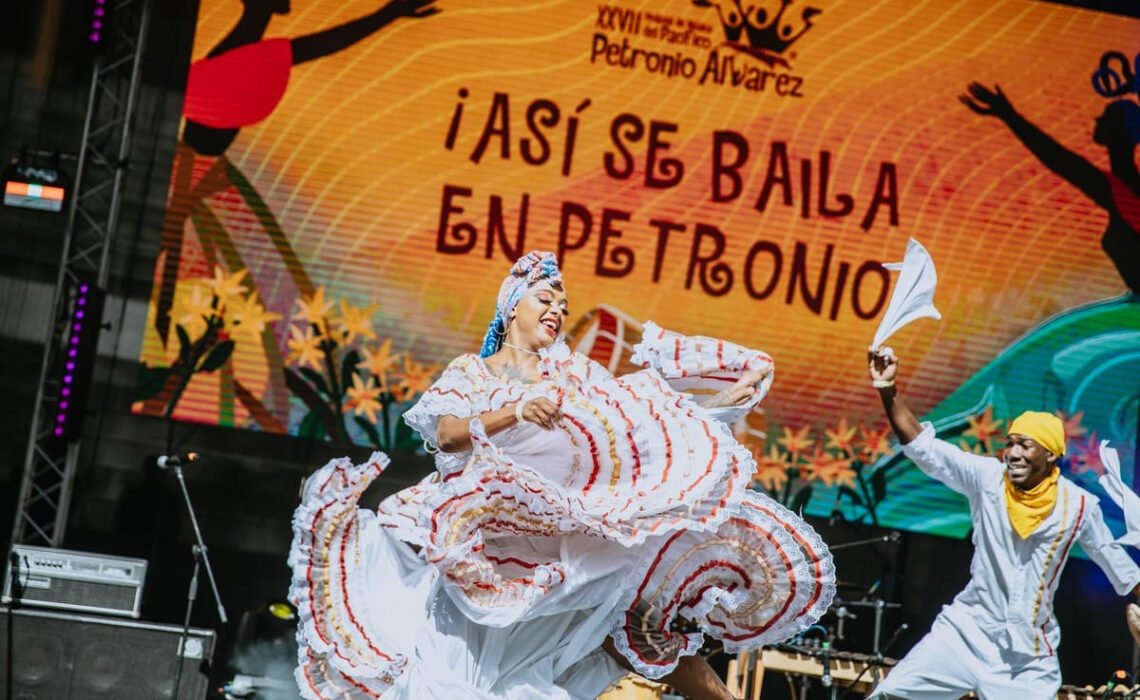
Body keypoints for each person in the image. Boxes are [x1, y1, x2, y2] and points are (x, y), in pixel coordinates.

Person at [288, 251, 835, 699]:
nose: (556, 309)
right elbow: (449, 434)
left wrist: (715, 409)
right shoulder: (474, 371)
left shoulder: (575, 373)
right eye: (544, 298)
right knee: (450, 675)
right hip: (478, 543)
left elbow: (637, 422)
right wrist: (516, 413)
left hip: (556, 549)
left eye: (563, 304)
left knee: (610, 611)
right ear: (511, 307)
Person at [865, 347, 1140, 699]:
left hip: (1027, 659)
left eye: (1025, 445)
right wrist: (887, 389)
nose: (1013, 453)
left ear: (1050, 454)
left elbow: (1119, 567)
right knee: (889, 695)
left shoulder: (1080, 505)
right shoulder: (988, 479)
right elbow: (924, 447)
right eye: (1010, 444)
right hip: (965, 636)